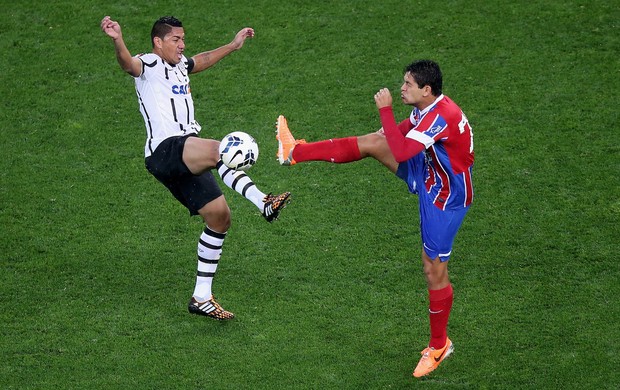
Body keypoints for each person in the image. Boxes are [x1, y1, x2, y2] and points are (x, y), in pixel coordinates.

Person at [276, 60, 474, 377]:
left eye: (408, 84)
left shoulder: (442, 115)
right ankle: (293, 151)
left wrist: (385, 112)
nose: (401, 88)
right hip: (431, 175)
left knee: (433, 270)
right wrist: (388, 128)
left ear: (426, 89)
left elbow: (404, 151)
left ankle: (439, 346)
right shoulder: (429, 106)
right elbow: (404, 133)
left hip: (445, 198)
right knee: (373, 141)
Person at [101, 15, 291, 321]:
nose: (182, 45)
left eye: (183, 39)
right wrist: (117, 39)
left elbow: (199, 61)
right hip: (167, 149)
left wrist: (232, 45)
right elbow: (127, 65)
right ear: (158, 42)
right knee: (222, 149)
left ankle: (201, 297)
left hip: (182, 155)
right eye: (176, 40)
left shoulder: (179, 66)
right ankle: (263, 202)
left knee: (220, 218)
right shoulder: (148, 63)